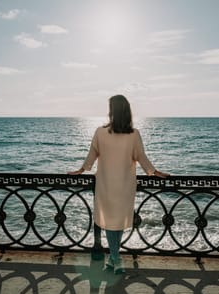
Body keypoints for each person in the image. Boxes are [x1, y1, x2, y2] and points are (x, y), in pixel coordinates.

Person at [68, 95, 169, 274]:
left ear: (112, 111)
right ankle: (116, 259)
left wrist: (83, 169)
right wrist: (82, 169)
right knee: (115, 222)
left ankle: (113, 259)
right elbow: (140, 156)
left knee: (113, 222)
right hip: (120, 185)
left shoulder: (108, 132)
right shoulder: (128, 133)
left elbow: (95, 153)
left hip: (110, 185)